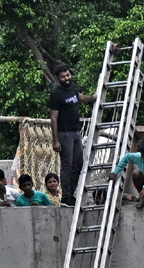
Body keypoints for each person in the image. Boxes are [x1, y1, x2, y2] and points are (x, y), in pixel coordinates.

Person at [49, 64, 93, 206]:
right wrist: (55, 140)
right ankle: (66, 196)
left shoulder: (72, 89)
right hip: (64, 133)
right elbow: (54, 117)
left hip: (76, 132)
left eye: (68, 75)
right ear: (58, 78)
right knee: (67, 165)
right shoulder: (56, 93)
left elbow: (80, 98)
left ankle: (71, 194)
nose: (66, 78)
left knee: (78, 163)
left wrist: (94, 98)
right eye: (63, 76)